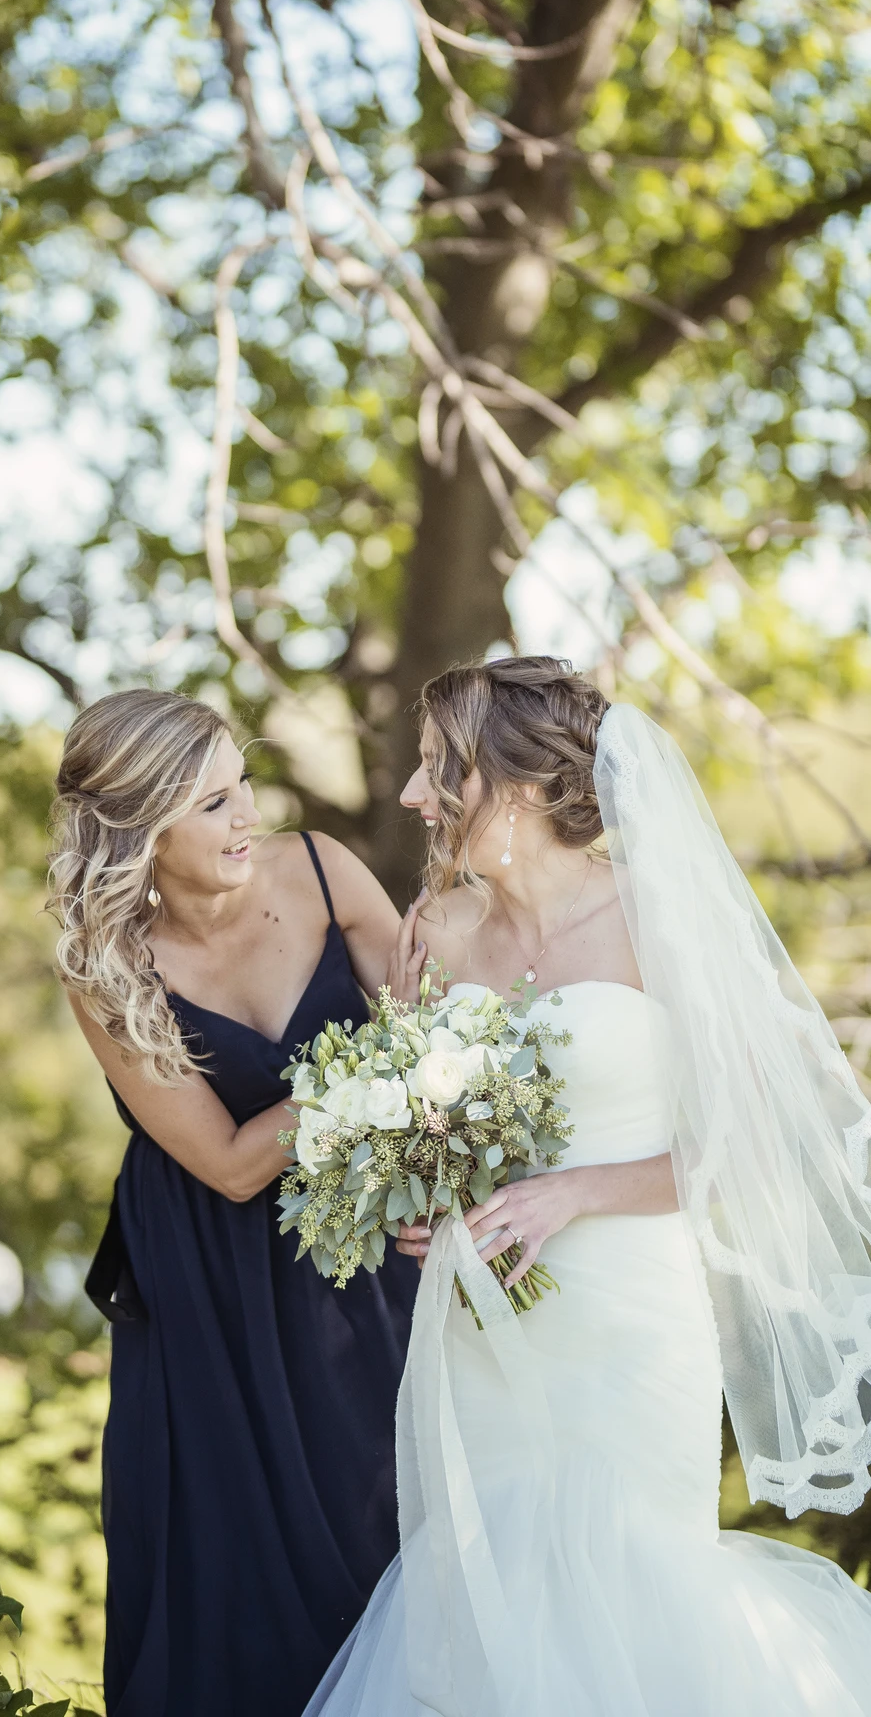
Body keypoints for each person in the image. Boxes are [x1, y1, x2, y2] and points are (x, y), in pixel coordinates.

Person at [307, 654, 871, 1717]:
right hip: (480, 1330)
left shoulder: (654, 914)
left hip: (628, 1328)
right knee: (485, 1601)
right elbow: (430, 1119)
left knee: (629, 1591)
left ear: (516, 783)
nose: (413, 796)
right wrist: (418, 1194)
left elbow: (755, 1146)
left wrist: (578, 1192)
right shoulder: (438, 932)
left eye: (439, 770)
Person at [48, 688, 420, 1717]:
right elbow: (228, 1159)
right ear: (138, 829)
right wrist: (365, 1074)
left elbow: (443, 1038)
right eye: (213, 802)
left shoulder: (322, 867)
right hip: (210, 1276)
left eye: (244, 782)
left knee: (383, 1513)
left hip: (365, 1252)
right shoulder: (104, 963)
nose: (248, 814)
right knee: (230, 1561)